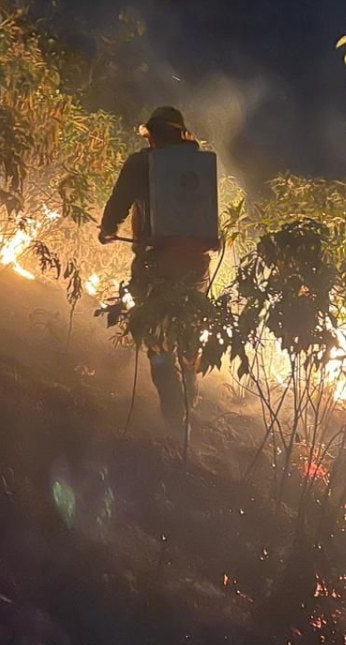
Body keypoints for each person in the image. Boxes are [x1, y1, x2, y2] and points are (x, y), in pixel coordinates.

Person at [98, 107, 216, 429]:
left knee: (157, 340)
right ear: (181, 135)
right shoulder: (198, 166)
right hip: (195, 267)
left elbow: (119, 201)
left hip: (156, 265)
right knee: (189, 332)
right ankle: (190, 395)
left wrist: (107, 229)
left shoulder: (141, 164)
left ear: (151, 134)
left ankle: (176, 420)